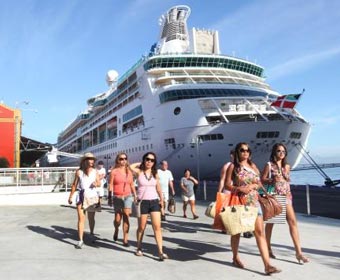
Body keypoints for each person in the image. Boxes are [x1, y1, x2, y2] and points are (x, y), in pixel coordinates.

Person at [225, 142, 281, 275]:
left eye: (247, 150)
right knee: (237, 232)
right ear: (237, 152)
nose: (245, 152)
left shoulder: (253, 165)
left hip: (255, 203)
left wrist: (257, 186)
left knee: (259, 233)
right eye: (242, 150)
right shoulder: (234, 166)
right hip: (241, 202)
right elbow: (227, 185)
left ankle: (267, 265)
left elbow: (259, 182)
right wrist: (240, 188)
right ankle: (235, 257)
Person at [261, 143, 309, 264]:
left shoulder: (287, 166)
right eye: (278, 151)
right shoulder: (269, 165)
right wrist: (271, 180)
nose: (281, 153)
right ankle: (267, 247)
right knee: (271, 223)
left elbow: (287, 181)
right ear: (274, 152)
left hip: (287, 196)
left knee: (292, 222)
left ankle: (299, 253)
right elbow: (262, 179)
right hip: (274, 196)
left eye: (283, 151)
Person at [130, 152, 168, 261]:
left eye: (152, 160)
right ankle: (139, 247)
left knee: (157, 227)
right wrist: (140, 163)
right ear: (144, 160)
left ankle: (160, 252)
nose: (149, 162)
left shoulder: (155, 173)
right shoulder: (139, 172)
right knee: (142, 227)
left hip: (154, 201)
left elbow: (159, 188)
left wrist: (161, 201)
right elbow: (130, 167)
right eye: (147, 159)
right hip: (143, 202)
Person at [68, 152, 101, 249]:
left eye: (93, 159)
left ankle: (91, 234)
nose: (92, 161)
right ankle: (80, 240)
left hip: (92, 197)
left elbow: (99, 183)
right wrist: (70, 196)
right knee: (81, 219)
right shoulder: (79, 171)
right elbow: (74, 184)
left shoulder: (95, 171)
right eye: (90, 159)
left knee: (91, 218)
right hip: (81, 196)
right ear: (85, 161)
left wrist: (96, 183)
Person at [108, 153, 137, 247]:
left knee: (126, 217)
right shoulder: (114, 171)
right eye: (121, 159)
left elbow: (132, 184)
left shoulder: (129, 171)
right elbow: (111, 184)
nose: (123, 161)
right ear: (117, 160)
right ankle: (116, 229)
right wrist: (109, 197)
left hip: (128, 196)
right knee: (117, 219)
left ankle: (125, 239)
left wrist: (135, 195)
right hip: (117, 196)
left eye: (125, 159)